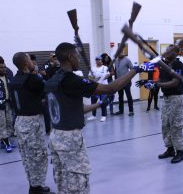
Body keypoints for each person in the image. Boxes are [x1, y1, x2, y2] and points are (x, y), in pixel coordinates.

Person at [45, 42, 153, 193]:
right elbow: (111, 88)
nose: (78, 59)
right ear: (70, 57)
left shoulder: (54, 79)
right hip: (70, 139)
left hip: (55, 136)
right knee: (78, 183)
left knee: (63, 181)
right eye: (76, 56)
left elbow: (75, 108)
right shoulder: (72, 80)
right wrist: (136, 69)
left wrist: (99, 104)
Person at [10, 52, 55, 194]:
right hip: (32, 122)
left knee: (27, 157)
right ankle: (36, 189)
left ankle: (34, 185)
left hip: (19, 121)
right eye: (30, 60)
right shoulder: (32, 79)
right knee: (38, 156)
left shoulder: (15, 80)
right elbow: (48, 88)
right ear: (25, 63)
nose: (33, 62)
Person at [136, 45, 183, 164]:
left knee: (175, 126)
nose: (167, 52)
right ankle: (169, 149)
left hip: (176, 98)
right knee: (165, 125)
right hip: (166, 99)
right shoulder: (164, 66)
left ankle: (180, 152)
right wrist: (149, 81)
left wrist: (157, 85)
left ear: (177, 53)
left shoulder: (178, 65)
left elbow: (174, 82)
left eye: (170, 51)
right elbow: (161, 80)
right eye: (167, 50)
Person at [87, 55, 110, 122]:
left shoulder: (105, 68)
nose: (98, 61)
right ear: (96, 61)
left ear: (101, 60)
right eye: (97, 60)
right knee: (93, 101)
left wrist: (102, 79)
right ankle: (93, 115)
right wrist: (93, 80)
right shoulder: (93, 68)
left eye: (99, 60)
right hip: (95, 87)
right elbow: (89, 76)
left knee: (103, 101)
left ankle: (103, 116)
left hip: (103, 87)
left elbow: (108, 74)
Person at [0, 56, 14, 153]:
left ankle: (5, 140)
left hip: (8, 103)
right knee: (2, 124)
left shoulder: (8, 76)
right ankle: (7, 144)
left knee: (9, 122)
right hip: (0, 105)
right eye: (1, 67)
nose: (4, 69)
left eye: (5, 67)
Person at [114, 52, 135, 116]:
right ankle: (121, 110)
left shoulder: (127, 60)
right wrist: (116, 80)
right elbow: (116, 70)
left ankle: (131, 111)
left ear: (123, 53)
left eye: (120, 52)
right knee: (120, 96)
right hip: (119, 82)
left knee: (128, 96)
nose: (119, 53)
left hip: (126, 82)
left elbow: (132, 69)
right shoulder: (116, 60)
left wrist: (129, 78)